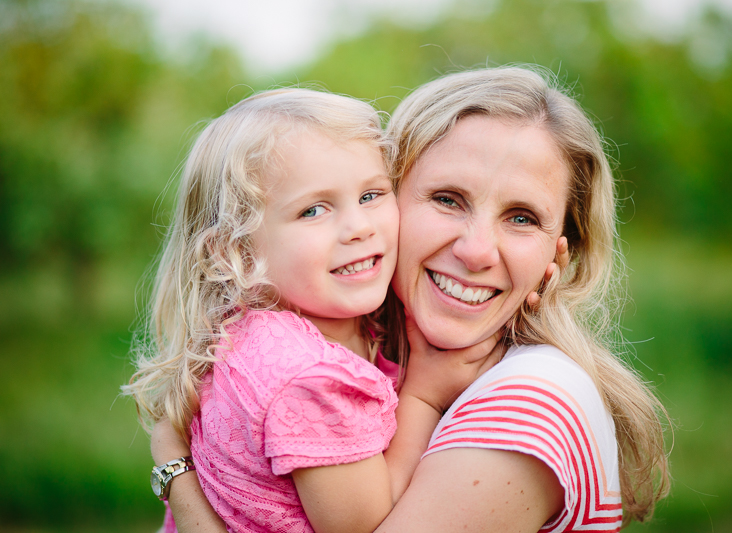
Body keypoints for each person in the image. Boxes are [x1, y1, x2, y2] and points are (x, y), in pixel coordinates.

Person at [150, 66, 670, 532]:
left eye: (522, 218)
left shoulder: (528, 402)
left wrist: (177, 473)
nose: (476, 250)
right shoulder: (329, 349)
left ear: (559, 252)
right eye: (447, 199)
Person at [123, 88, 506, 533]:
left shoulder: (281, 325)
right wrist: (423, 394)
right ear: (237, 253)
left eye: (371, 195)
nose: (359, 228)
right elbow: (369, 525)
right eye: (313, 210)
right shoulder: (310, 378)